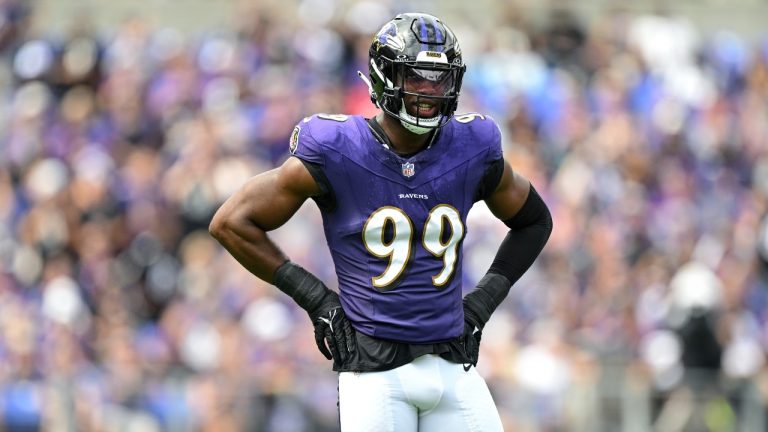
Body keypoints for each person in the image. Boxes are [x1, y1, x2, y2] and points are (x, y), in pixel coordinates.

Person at [209, 12, 552, 432]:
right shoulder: (336, 149)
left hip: (452, 362)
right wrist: (317, 301)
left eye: (439, 80)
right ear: (384, 78)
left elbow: (535, 221)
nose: (429, 92)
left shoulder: (472, 145)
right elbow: (231, 222)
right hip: (374, 370)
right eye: (417, 78)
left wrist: (482, 303)